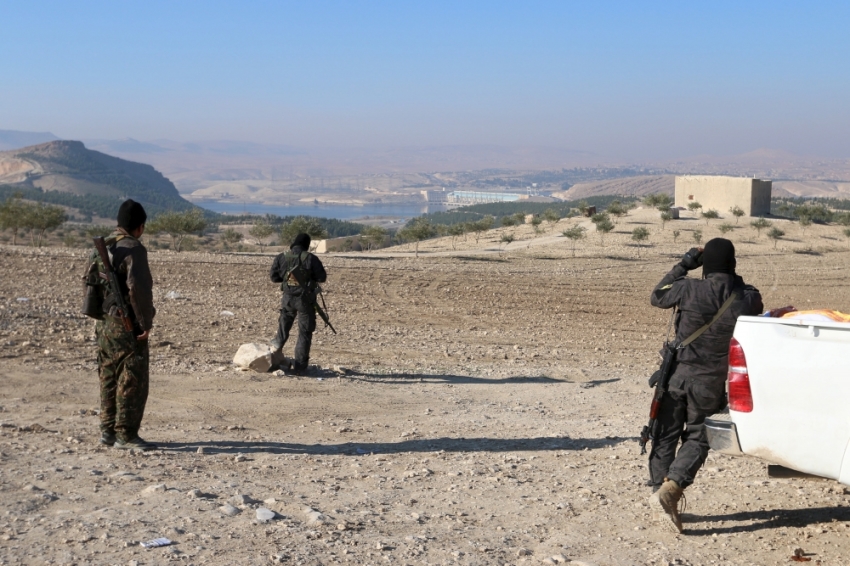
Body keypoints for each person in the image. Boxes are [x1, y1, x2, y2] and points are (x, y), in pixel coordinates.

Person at [647, 238, 762, 532]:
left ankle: (660, 490)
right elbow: (752, 303)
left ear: (705, 264)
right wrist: (731, 277)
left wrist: (686, 263)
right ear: (733, 263)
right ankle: (671, 489)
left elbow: (657, 296)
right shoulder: (748, 297)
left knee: (664, 434)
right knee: (699, 437)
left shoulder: (688, 288)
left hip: (676, 375)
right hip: (710, 382)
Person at [96, 199, 157, 451]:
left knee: (108, 376)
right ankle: (126, 434)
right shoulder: (134, 249)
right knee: (132, 378)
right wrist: (144, 323)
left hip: (105, 324)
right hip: (126, 324)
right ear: (140, 226)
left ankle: (107, 430)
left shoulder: (106, 246)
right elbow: (138, 291)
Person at [269, 233, 327, 373]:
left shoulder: (281, 257)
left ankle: (271, 358)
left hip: (287, 299)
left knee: (283, 328)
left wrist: (287, 280)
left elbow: (274, 277)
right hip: (305, 300)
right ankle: (300, 367)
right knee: (304, 332)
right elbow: (322, 277)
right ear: (307, 244)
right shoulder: (311, 258)